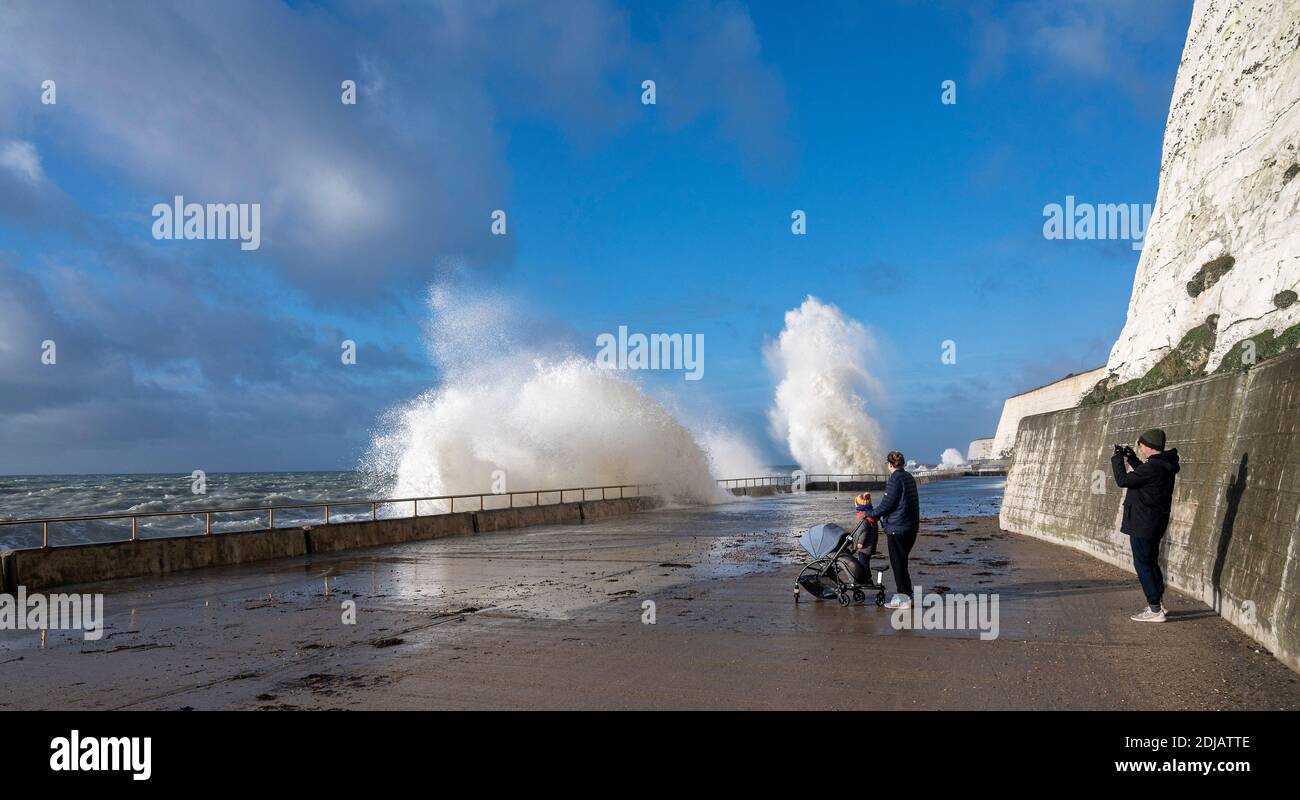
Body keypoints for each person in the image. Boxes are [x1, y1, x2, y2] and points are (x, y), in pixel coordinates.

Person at [1111, 428, 1180, 623]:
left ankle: (1155, 609)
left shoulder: (1153, 468)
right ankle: (1157, 604)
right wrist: (1132, 459)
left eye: (1140, 446)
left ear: (1148, 446)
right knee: (1151, 562)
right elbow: (1144, 477)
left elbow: (1123, 480)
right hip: (1155, 521)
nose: (1139, 448)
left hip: (1143, 522)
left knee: (1143, 564)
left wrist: (1117, 459)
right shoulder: (1164, 464)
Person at [871, 451, 919, 609]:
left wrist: (870, 514)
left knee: (898, 565)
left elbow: (887, 504)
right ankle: (908, 595)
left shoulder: (895, 479)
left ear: (890, 464)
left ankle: (903, 599)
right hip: (911, 527)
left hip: (898, 529)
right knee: (902, 563)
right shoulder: (908, 477)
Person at [852, 491, 879, 571]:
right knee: (866, 561)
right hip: (870, 545)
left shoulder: (862, 517)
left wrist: (860, 542)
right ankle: (867, 577)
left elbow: (863, 531)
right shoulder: (871, 516)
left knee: (863, 563)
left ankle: (866, 577)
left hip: (864, 547)